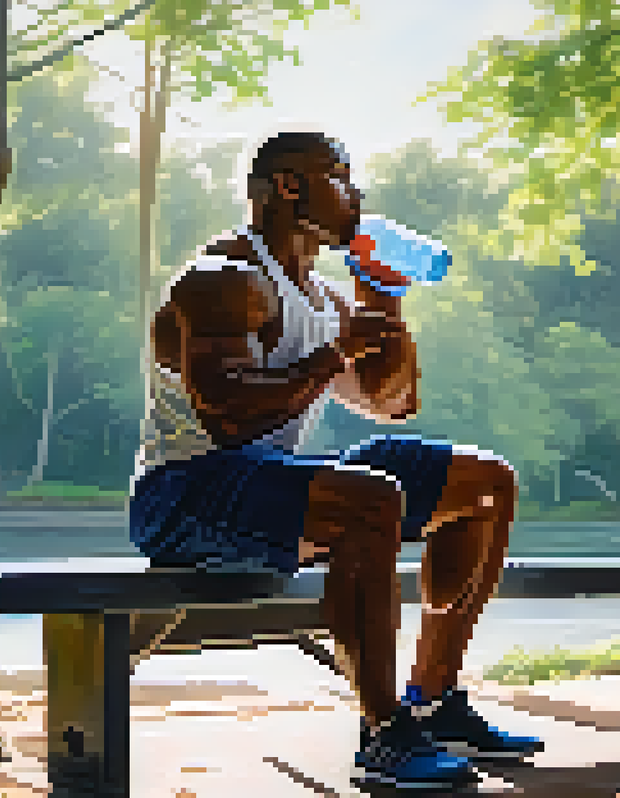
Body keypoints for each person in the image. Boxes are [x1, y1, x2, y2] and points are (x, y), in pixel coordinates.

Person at [129, 131, 541, 790]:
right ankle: (383, 737)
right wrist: (331, 355)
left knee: (484, 483)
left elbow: (392, 403)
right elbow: (227, 415)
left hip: (270, 480)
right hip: (183, 494)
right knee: (370, 497)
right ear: (291, 185)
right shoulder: (222, 280)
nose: (359, 195)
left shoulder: (325, 299)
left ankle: (430, 704)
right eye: (342, 178)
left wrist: (384, 299)